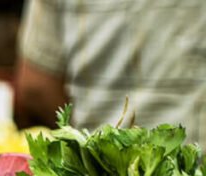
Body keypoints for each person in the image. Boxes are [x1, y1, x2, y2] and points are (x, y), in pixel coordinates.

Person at [15, 0, 206, 136]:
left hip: (99, 174)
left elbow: (36, 86)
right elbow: (35, 87)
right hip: (194, 174)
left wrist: (90, 147)